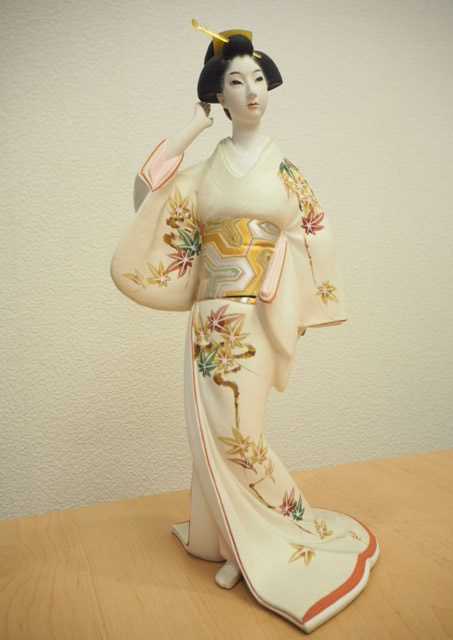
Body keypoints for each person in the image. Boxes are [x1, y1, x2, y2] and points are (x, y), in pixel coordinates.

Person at [111, 23, 379, 635]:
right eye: (236, 82)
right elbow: (146, 194)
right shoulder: (203, 172)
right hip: (209, 320)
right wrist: (193, 126)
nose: (252, 91)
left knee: (240, 434)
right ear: (220, 95)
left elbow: (316, 231)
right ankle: (226, 542)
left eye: (259, 79)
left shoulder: (284, 170)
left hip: (257, 313)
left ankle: (270, 537)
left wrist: (288, 286)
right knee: (207, 436)